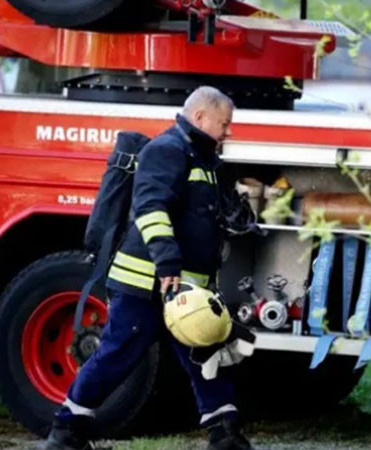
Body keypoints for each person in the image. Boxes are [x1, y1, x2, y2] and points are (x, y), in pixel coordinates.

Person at [45, 86, 253, 450]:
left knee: (207, 355)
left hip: (185, 289)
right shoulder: (165, 151)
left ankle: (226, 436)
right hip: (146, 284)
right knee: (116, 357)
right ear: (200, 117)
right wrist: (167, 263)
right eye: (225, 123)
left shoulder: (203, 159)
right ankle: (65, 431)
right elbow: (151, 209)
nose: (229, 132)